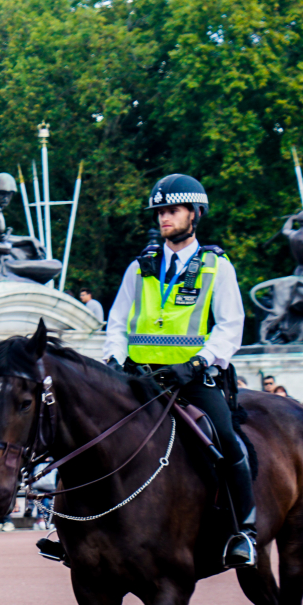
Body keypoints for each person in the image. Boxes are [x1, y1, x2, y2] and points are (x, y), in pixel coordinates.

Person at [99, 172, 254, 567]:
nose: (164, 217)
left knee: (228, 444)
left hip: (192, 379)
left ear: (194, 214)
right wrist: (115, 360)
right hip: (139, 379)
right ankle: (75, 529)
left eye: (173, 210)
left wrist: (199, 362)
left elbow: (230, 326)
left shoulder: (217, 266)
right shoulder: (140, 267)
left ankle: (244, 532)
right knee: (93, 436)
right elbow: (117, 323)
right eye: (160, 212)